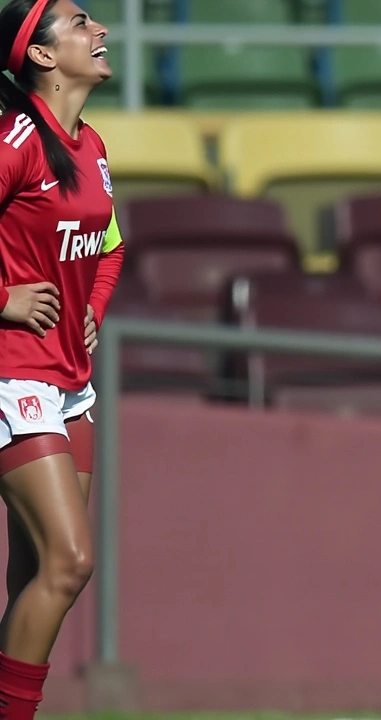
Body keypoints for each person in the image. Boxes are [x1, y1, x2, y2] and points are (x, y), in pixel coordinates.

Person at [0, 0, 122, 716]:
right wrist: (4, 298)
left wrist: (91, 311)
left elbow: (111, 249)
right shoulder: (14, 139)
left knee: (36, 572)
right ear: (41, 55)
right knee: (70, 561)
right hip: (12, 372)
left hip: (69, 380)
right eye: (80, 22)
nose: (100, 29)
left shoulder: (93, 145)